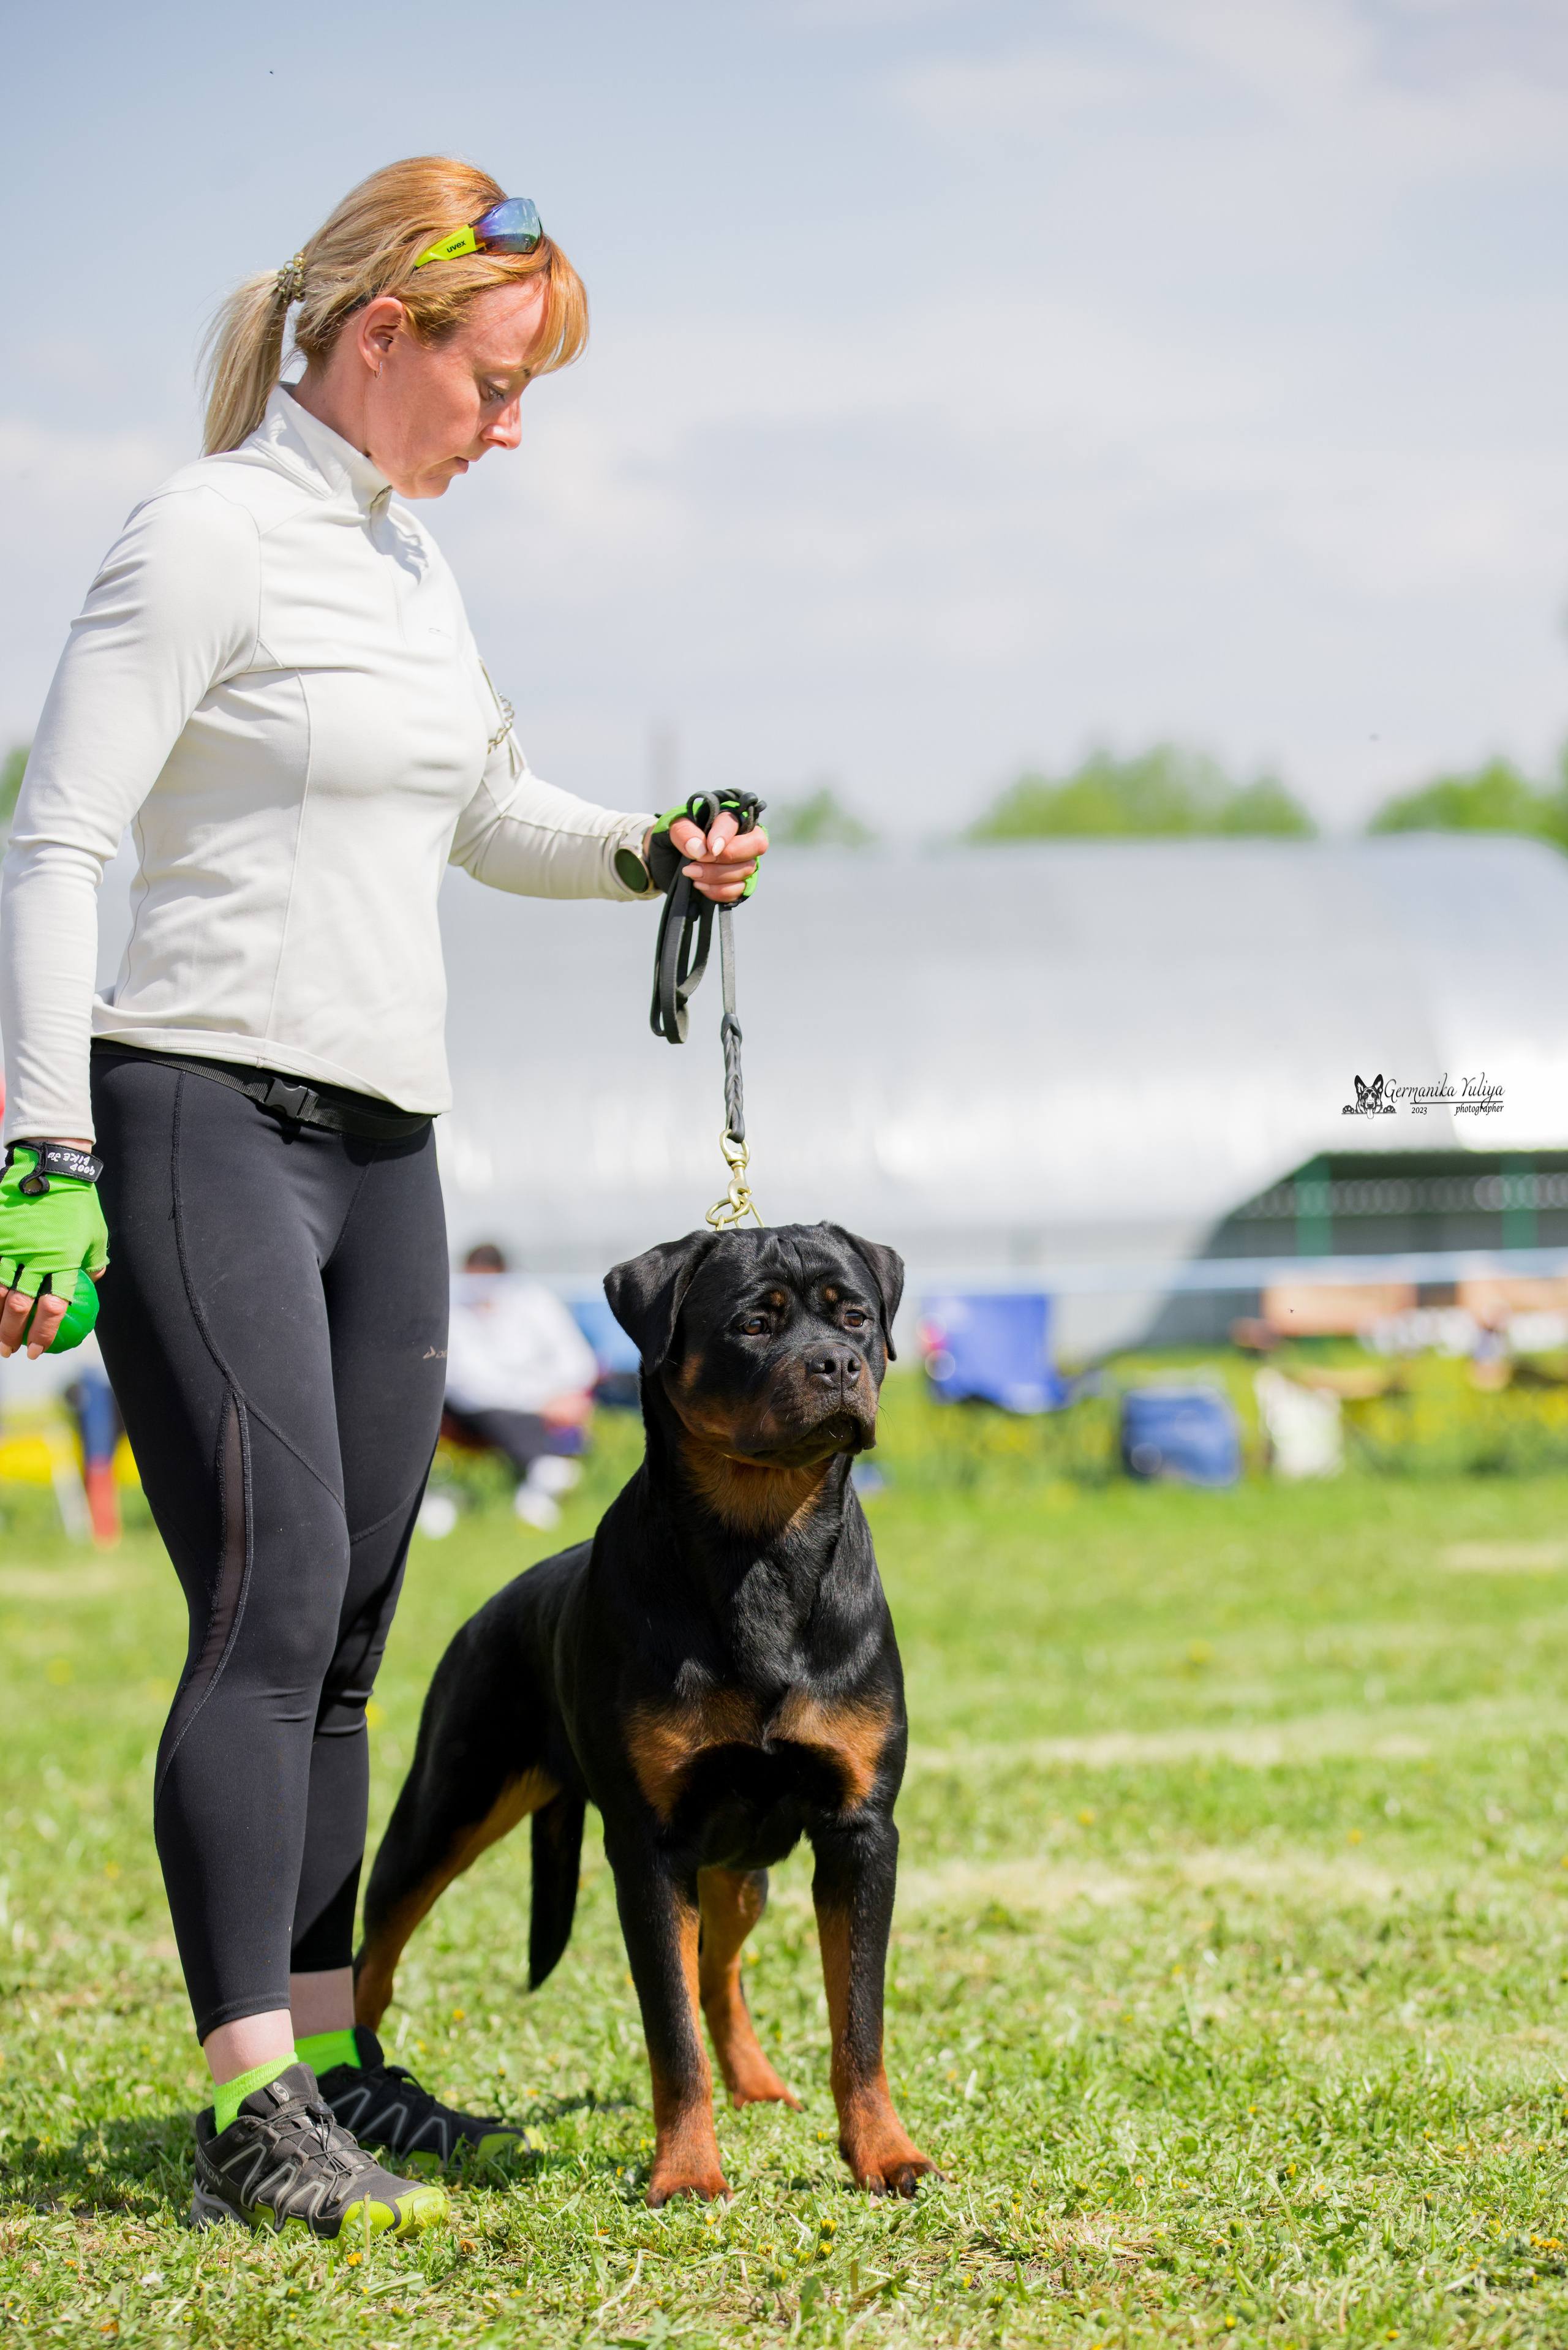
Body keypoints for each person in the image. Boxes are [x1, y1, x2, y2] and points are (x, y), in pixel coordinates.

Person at [0, 157, 766, 2242]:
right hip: (194, 1115)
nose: (516, 430)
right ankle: (248, 2099)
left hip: (384, 1140)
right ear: (384, 334)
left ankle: (332, 2050)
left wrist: (641, 851)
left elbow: (481, 809)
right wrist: (41, 1146)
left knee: (347, 1626)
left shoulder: (417, 565)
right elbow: (57, 837)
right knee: (261, 1604)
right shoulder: (205, 533)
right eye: (499, 383)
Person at [443, 1243, 598, 1529]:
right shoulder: (452, 1311)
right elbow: (467, 1385)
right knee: (496, 1413)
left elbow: (577, 1360)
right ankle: (544, 1470)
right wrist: (542, 1403)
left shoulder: (536, 1302)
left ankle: (541, 1476)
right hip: (480, 1412)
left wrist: (565, 1396)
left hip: (547, 1405)